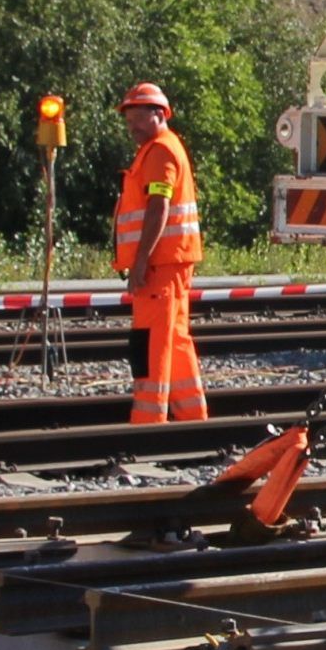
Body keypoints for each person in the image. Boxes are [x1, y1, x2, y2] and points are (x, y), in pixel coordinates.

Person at [115, 82, 206, 424]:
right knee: (175, 339)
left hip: (159, 266)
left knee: (150, 342)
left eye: (138, 117)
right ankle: (192, 417)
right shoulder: (162, 148)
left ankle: (148, 423)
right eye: (129, 119)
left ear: (159, 114)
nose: (132, 126)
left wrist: (141, 261)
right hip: (172, 262)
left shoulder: (160, 152)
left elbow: (158, 206)